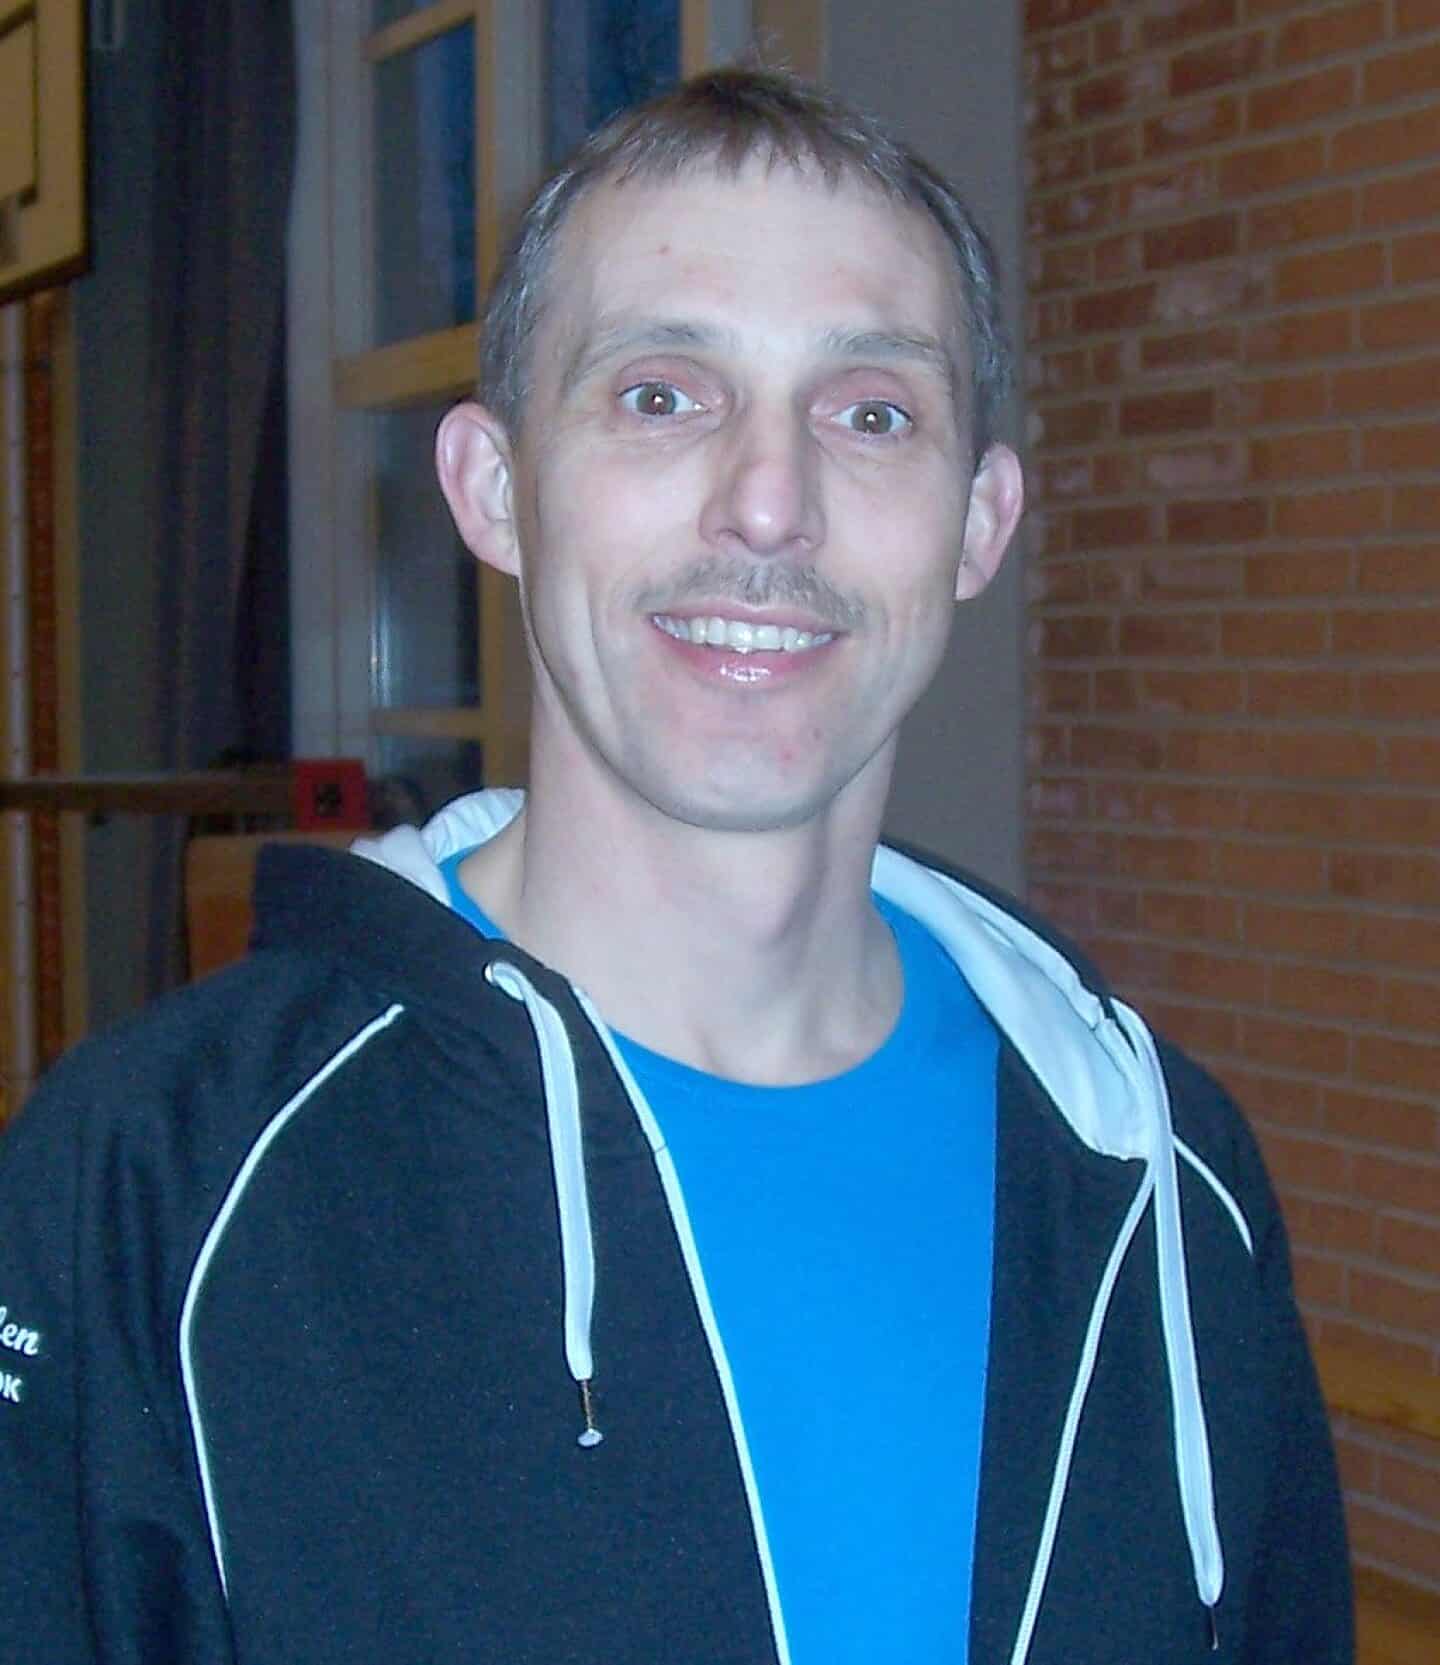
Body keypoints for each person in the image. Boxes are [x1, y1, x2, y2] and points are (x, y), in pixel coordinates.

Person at [0, 67, 1350, 1665]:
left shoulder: (1160, 1172)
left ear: (980, 523)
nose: (769, 503)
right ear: (495, 487)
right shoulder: (151, 1184)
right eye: (661, 395)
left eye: (872, 412)